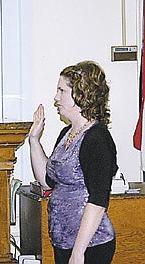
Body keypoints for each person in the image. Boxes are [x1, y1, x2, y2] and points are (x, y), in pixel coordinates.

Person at [29, 61, 118, 264]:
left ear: (81, 95)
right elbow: (47, 181)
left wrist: (78, 253)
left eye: (62, 91)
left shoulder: (97, 139)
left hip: (90, 245)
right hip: (63, 241)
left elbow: (98, 200)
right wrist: (34, 140)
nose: (56, 98)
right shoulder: (66, 133)